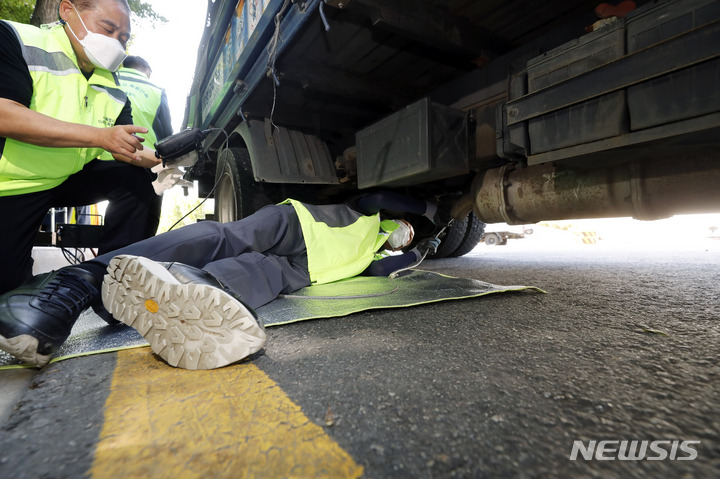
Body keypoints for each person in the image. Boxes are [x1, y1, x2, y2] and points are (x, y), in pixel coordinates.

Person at [0, 192, 442, 370]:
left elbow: (388, 272)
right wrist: (425, 209)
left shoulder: (375, 253)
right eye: (403, 227)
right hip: (296, 223)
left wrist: (411, 251)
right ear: (399, 219)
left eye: (404, 234)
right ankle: (75, 284)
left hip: (306, 271)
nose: (402, 233)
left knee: (260, 278)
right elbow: (381, 197)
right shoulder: (370, 214)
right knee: (223, 235)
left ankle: (187, 289)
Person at [0, 0, 162, 296]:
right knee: (10, 293)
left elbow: (126, 146)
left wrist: (165, 161)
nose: (115, 42)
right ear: (67, 11)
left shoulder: (111, 83)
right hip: (11, 186)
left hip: (63, 178)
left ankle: (115, 283)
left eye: (123, 38)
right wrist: (98, 136)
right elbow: (4, 114)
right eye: (108, 29)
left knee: (134, 180)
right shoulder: (18, 41)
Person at [110, 55, 174, 236]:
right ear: (147, 72)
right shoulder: (156, 89)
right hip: (143, 161)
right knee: (147, 219)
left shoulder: (107, 78)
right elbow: (167, 134)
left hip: (99, 158)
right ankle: (142, 255)